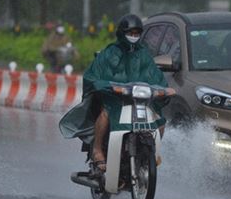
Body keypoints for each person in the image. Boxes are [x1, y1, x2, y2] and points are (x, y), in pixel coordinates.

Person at [58, 14, 169, 172]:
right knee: (105, 114)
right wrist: (108, 86)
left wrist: (164, 89)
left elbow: (156, 77)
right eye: (130, 33)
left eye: (137, 33)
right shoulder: (110, 53)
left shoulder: (144, 55)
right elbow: (92, 76)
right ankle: (97, 150)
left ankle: (151, 153)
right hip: (114, 100)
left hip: (139, 101)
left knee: (160, 121)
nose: (133, 36)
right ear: (122, 33)